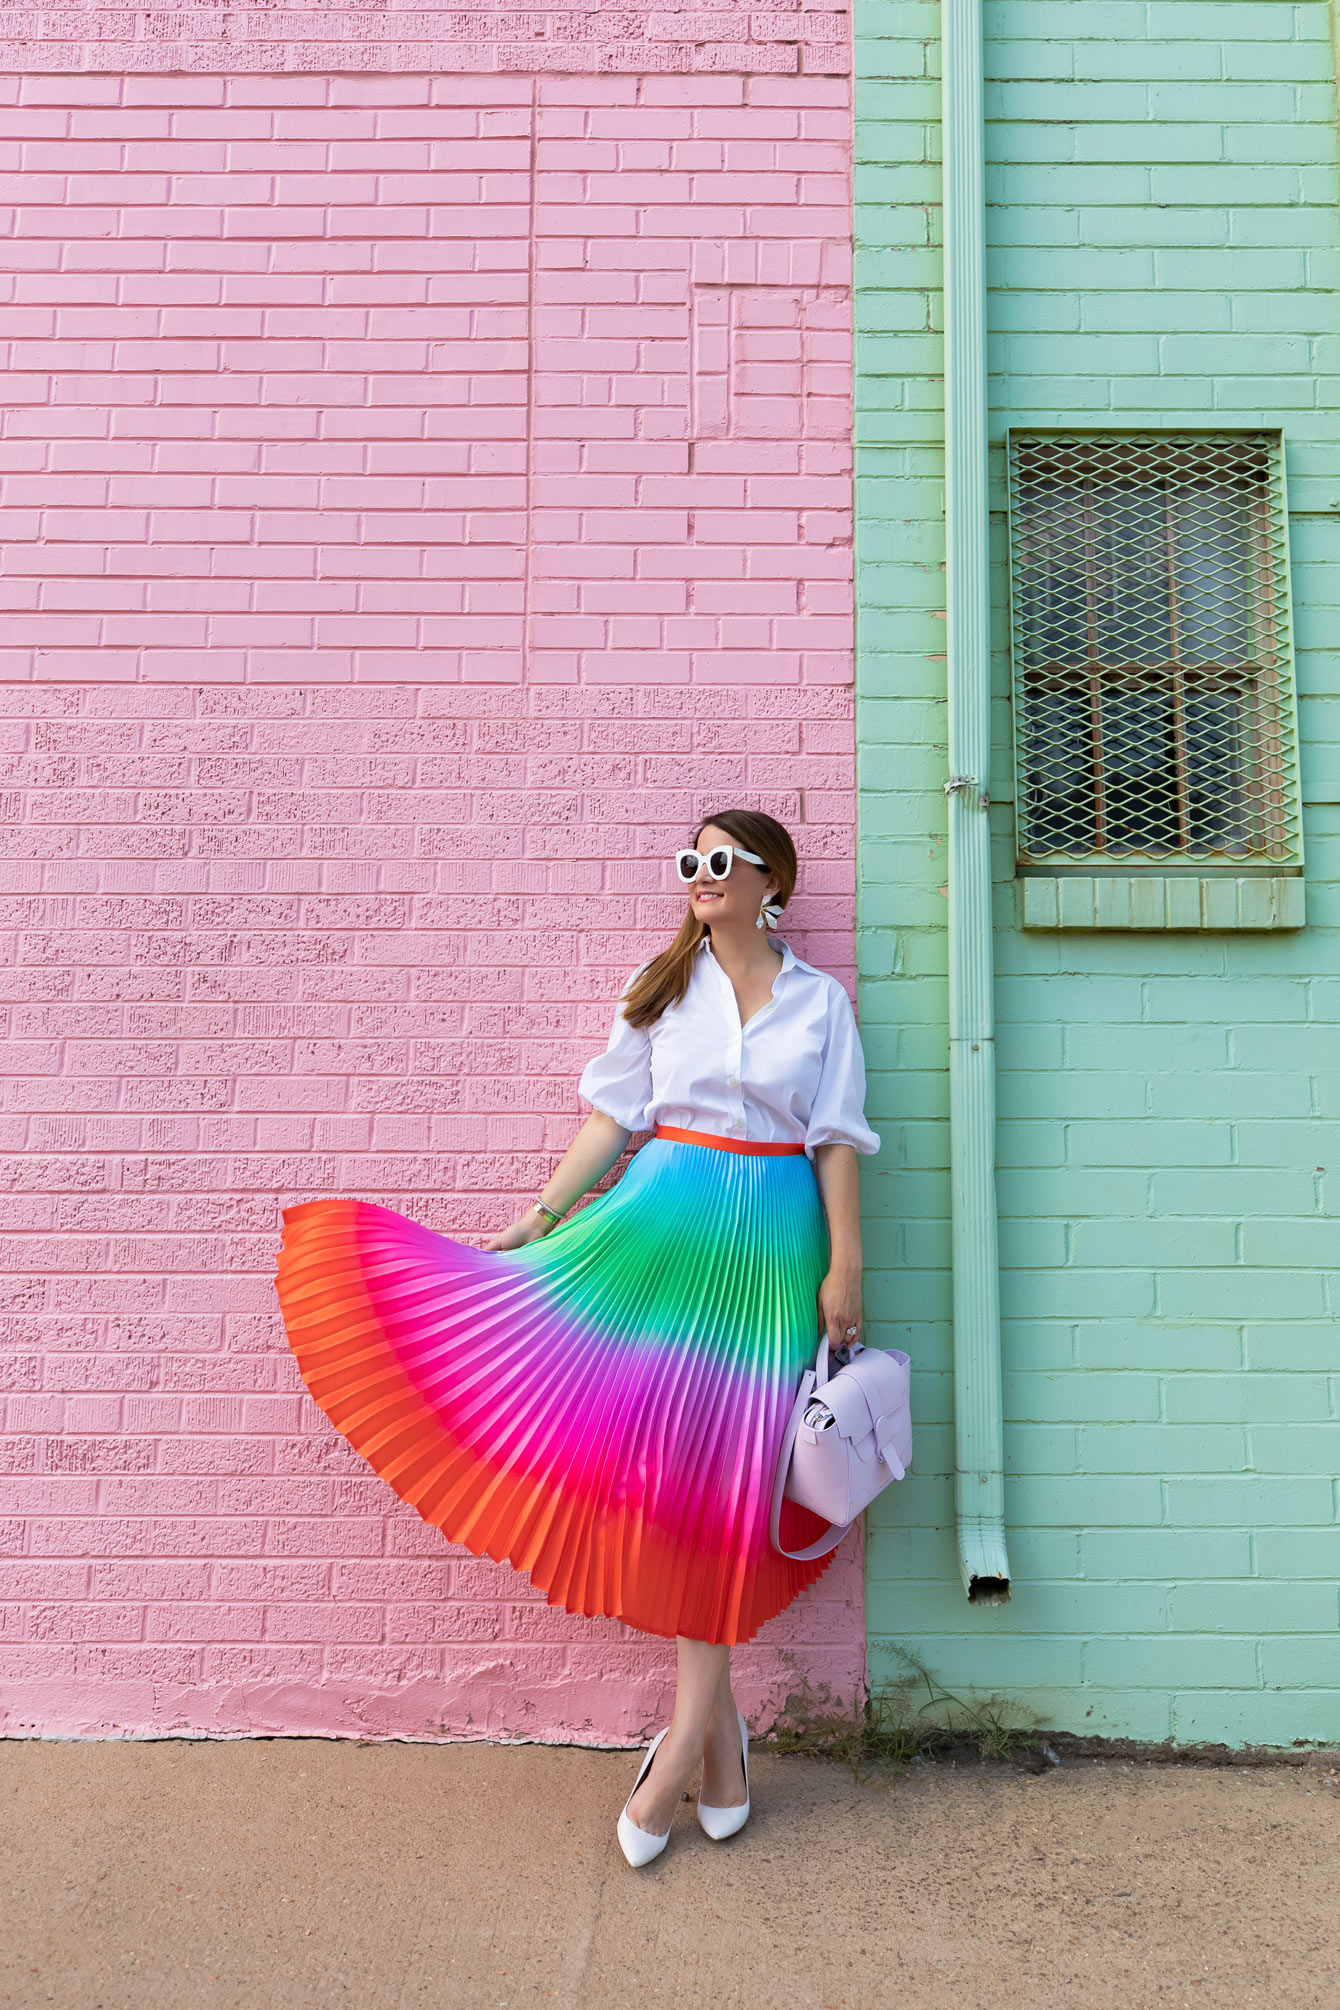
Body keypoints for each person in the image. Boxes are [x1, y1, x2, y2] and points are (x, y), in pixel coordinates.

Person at [275, 807, 879, 1868]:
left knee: (729, 1484)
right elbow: (612, 1117)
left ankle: (692, 1733)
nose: (699, 875)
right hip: (654, 1232)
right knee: (675, 1480)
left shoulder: (819, 1003)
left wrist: (846, 1261)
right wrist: (542, 1217)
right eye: (689, 861)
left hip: (774, 1249)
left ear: (769, 881)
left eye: (720, 862)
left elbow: (833, 1141)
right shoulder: (662, 988)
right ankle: (712, 1735)